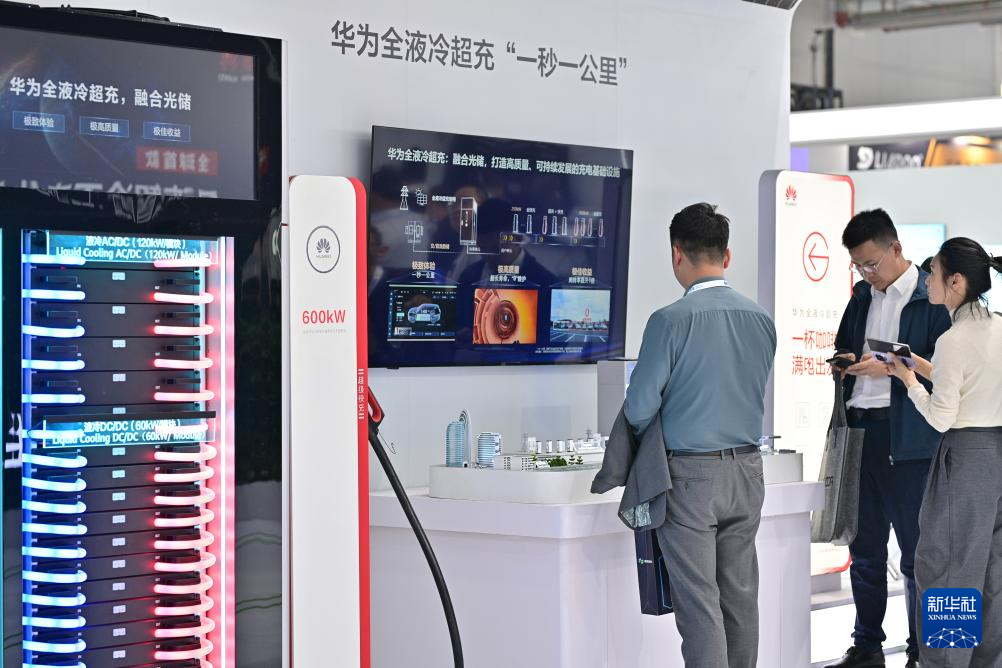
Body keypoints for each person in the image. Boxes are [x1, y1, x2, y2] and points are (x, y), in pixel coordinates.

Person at [624, 202, 776, 667]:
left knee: (699, 605)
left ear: (676, 254)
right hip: (748, 471)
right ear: (726, 256)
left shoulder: (669, 320)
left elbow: (639, 406)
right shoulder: (761, 319)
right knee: (740, 596)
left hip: (690, 478)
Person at [827, 209, 952, 668]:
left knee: (919, 554)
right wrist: (845, 360)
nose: (866, 273)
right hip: (860, 432)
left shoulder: (929, 299)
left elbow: (946, 373)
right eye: (858, 265)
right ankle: (867, 645)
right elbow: (844, 342)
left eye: (872, 263)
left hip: (912, 439)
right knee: (864, 549)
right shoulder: (862, 295)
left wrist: (897, 369)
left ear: (896, 248)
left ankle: (923, 650)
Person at [885, 239, 1002, 668]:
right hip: (996, 455)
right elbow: (972, 384)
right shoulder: (998, 326)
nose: (927, 279)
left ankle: (947, 663)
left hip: (964, 458)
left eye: (932, 272)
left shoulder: (954, 339)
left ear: (956, 281)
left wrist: (908, 382)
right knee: (991, 571)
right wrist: (919, 365)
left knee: (947, 569)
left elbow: (940, 417)